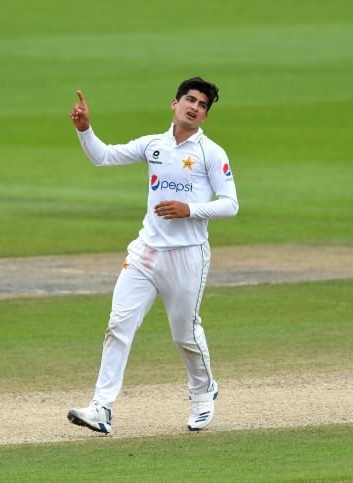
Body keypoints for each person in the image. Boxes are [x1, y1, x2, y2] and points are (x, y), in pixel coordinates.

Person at [66, 77, 239, 433]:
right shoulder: (153, 145)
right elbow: (103, 156)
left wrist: (188, 209)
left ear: (205, 116)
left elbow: (231, 205)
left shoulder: (211, 153)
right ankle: (101, 408)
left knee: (185, 335)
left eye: (202, 105)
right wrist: (85, 130)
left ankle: (203, 392)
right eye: (189, 100)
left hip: (187, 256)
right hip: (145, 253)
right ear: (173, 104)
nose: (194, 107)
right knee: (118, 326)